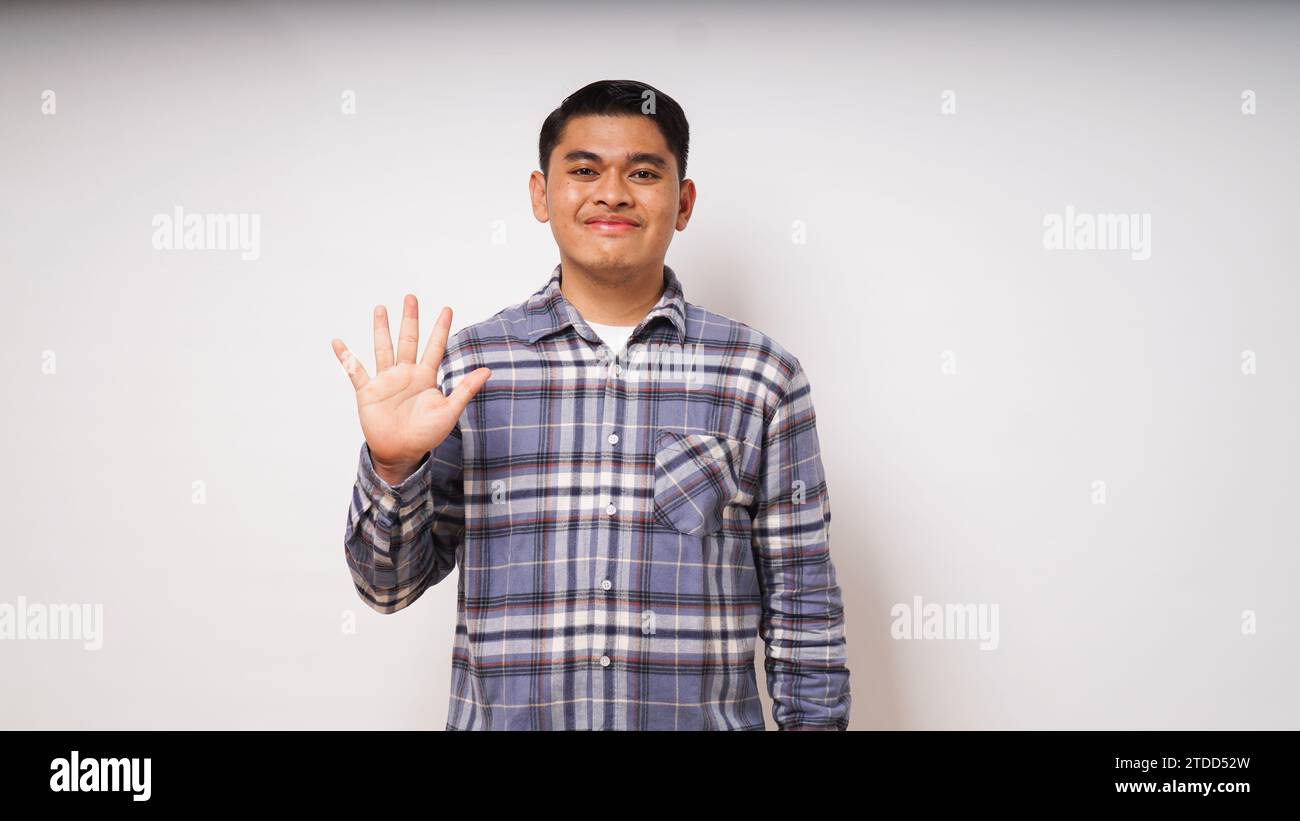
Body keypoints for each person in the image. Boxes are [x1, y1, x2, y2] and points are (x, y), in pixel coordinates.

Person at [330, 79, 850, 730]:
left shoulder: (761, 377)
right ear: (541, 195)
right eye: (584, 169)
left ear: (683, 201)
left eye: (642, 171)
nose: (612, 192)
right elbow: (386, 586)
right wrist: (393, 463)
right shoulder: (467, 372)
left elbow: (803, 608)